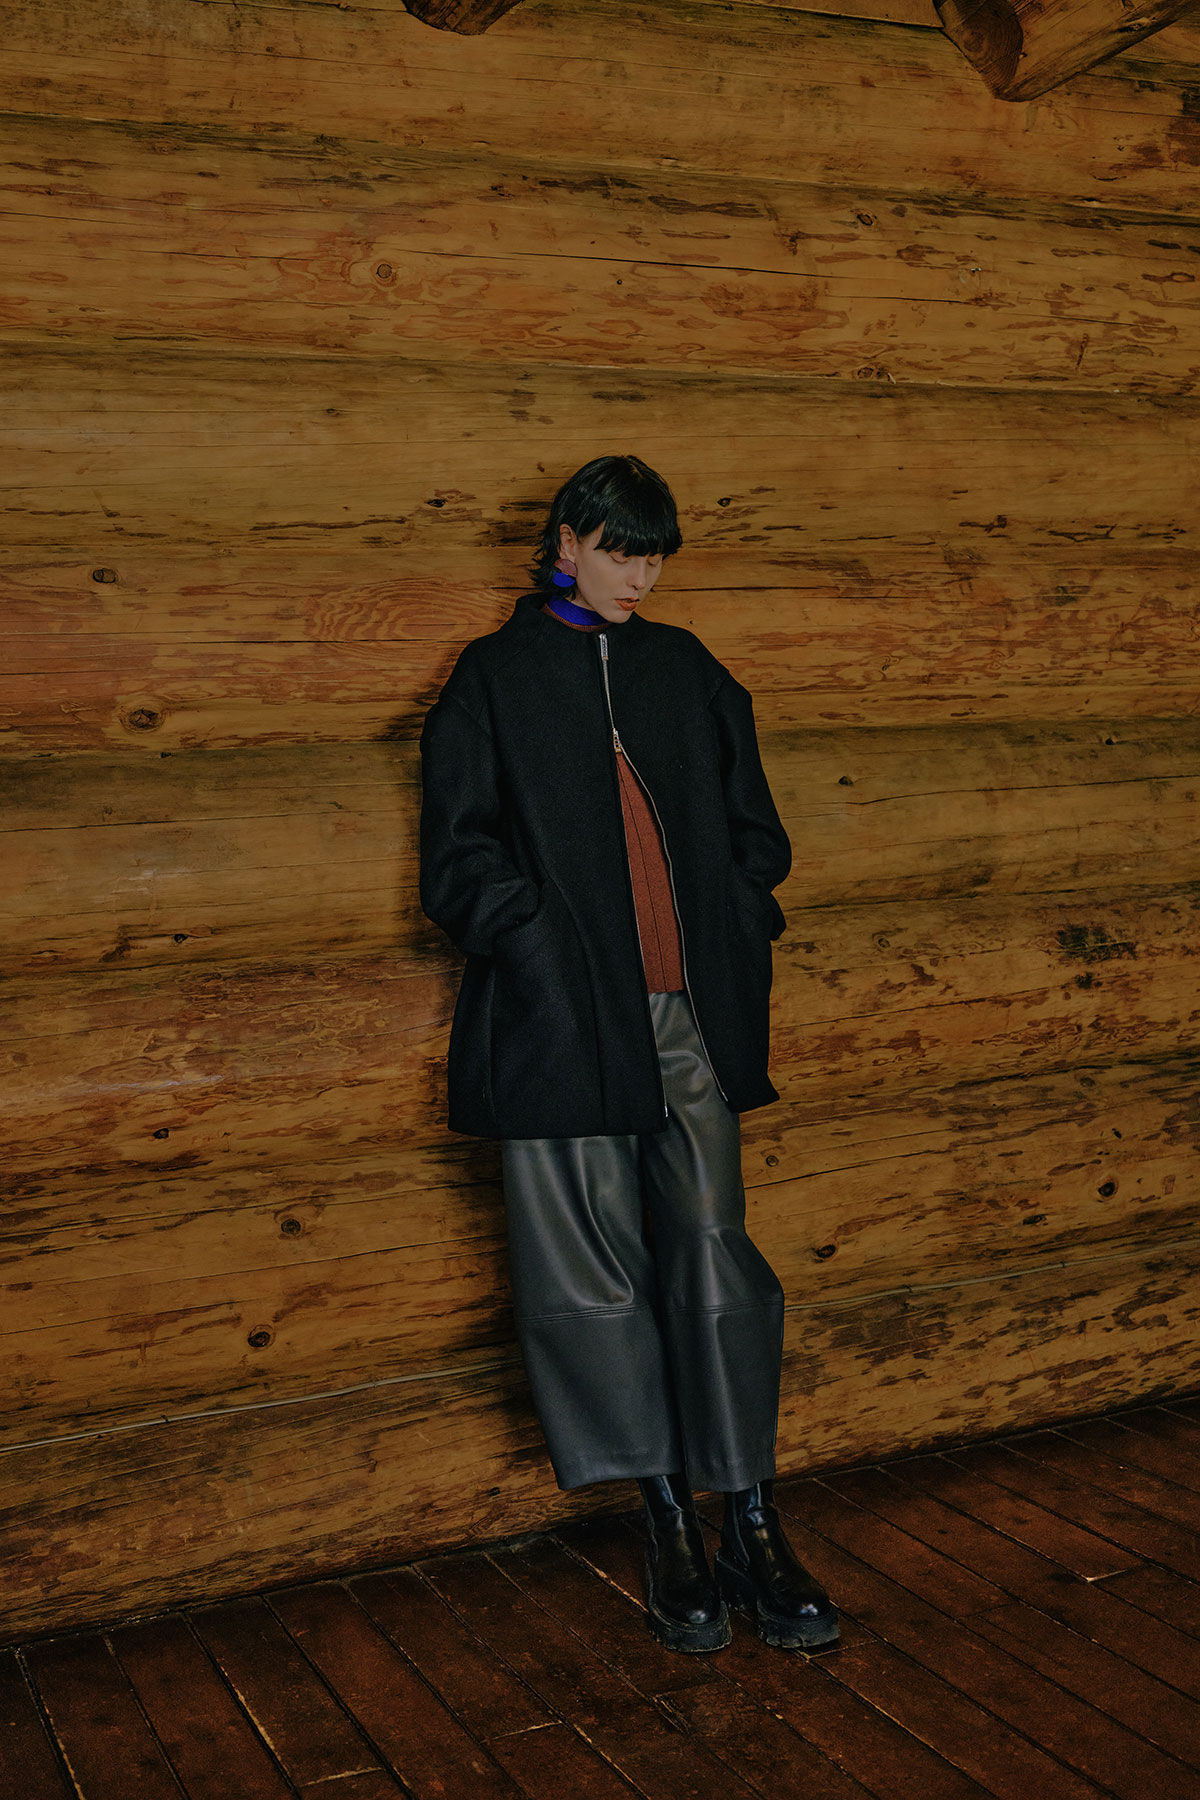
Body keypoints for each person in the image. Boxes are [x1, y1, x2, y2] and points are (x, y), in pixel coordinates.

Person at [419, 453, 837, 1653]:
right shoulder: (492, 679)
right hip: (559, 1029)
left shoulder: (687, 670)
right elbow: (456, 858)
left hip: (683, 1022)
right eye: (619, 553)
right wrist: (536, 945)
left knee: (715, 1254)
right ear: (566, 542)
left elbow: (757, 833)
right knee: (591, 1276)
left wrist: (738, 919)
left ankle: (749, 1515)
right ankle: (665, 1520)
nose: (639, 578)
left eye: (654, 558)